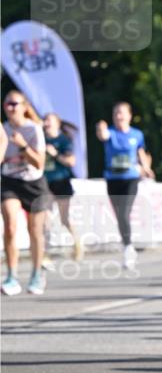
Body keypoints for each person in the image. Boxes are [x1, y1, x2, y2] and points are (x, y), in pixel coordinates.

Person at [1, 90, 50, 295]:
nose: (11, 108)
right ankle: (11, 276)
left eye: (15, 104)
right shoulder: (2, 130)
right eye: (7, 104)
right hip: (10, 181)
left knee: (35, 231)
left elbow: (39, 162)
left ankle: (36, 273)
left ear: (24, 106)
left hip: (34, 183)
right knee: (11, 226)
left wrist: (22, 147)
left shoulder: (34, 129)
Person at [96, 102, 153, 269]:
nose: (118, 117)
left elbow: (140, 152)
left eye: (121, 113)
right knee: (120, 215)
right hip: (113, 179)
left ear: (129, 115)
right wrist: (100, 128)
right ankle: (128, 245)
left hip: (131, 178)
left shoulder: (137, 134)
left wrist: (147, 168)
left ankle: (128, 249)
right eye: (115, 114)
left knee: (125, 212)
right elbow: (102, 135)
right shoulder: (110, 133)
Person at [42, 112, 82, 262]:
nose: (46, 123)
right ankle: (45, 253)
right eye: (45, 120)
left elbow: (71, 161)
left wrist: (55, 153)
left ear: (57, 123)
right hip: (45, 183)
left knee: (64, 219)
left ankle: (77, 243)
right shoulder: (41, 139)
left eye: (49, 120)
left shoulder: (63, 140)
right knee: (45, 219)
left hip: (61, 181)